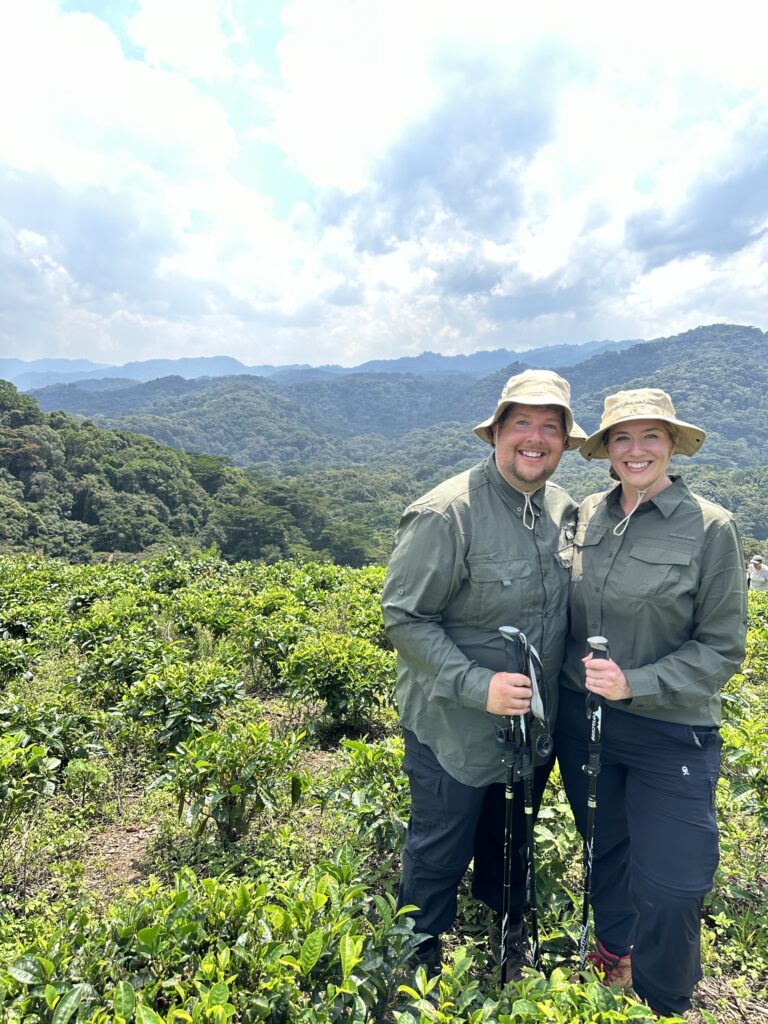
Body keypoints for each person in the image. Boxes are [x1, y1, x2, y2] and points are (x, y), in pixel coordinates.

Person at [381, 369, 586, 979]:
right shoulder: (447, 514)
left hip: (531, 730)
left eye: (550, 427)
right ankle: (416, 965)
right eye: (521, 422)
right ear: (496, 433)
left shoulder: (564, 510)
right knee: (439, 852)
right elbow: (404, 618)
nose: (535, 437)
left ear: (564, 441)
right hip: (453, 729)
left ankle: (508, 937)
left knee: (512, 841)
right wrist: (480, 685)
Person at [555, 388, 747, 1018]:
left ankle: (665, 999)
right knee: (606, 849)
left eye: (650, 437)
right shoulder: (586, 515)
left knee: (674, 882)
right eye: (622, 438)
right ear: (607, 450)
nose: (636, 451)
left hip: (672, 732)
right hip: (586, 727)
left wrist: (637, 682)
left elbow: (722, 650)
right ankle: (613, 952)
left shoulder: (710, 526)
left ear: (671, 445)